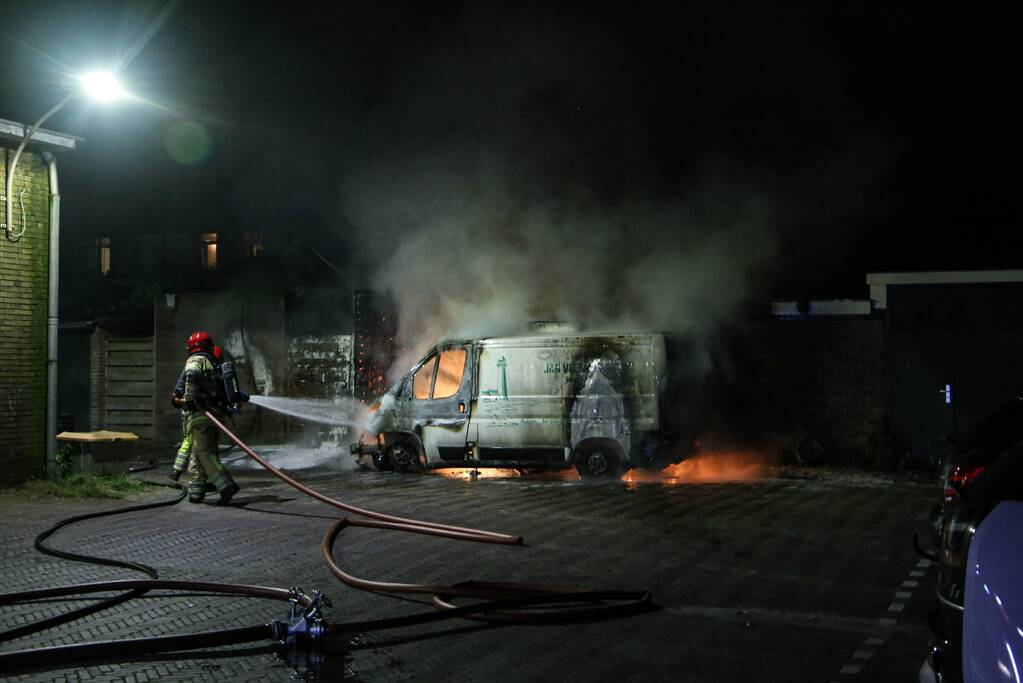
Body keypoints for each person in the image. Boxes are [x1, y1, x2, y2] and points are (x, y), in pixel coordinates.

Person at [171, 332, 240, 505]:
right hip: (213, 416)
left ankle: (226, 485)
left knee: (204, 453)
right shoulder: (212, 363)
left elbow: (192, 376)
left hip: (201, 416)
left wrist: (187, 398)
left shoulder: (196, 360)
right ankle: (196, 493)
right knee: (197, 456)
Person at [170, 345, 223, 486]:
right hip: (195, 415)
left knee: (199, 447)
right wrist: (187, 400)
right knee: (195, 447)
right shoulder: (200, 367)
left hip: (198, 415)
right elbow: (184, 395)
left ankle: (200, 479)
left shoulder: (205, 369)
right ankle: (181, 474)